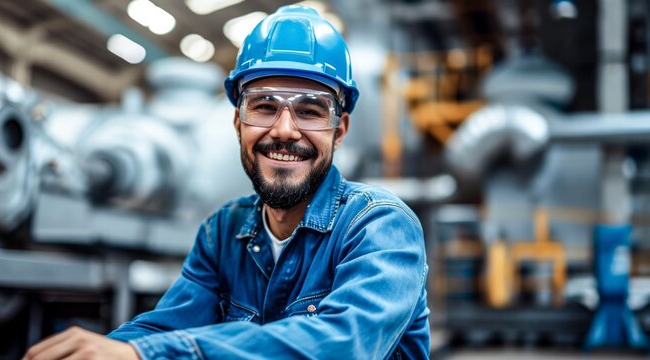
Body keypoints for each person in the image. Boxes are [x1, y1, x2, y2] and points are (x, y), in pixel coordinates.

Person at [24, 5, 429, 360]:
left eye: (310, 111)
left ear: (339, 130)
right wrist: (108, 349)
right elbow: (165, 328)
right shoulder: (224, 231)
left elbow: (342, 346)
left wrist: (148, 355)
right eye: (265, 107)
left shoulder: (380, 226)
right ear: (238, 124)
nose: (285, 130)